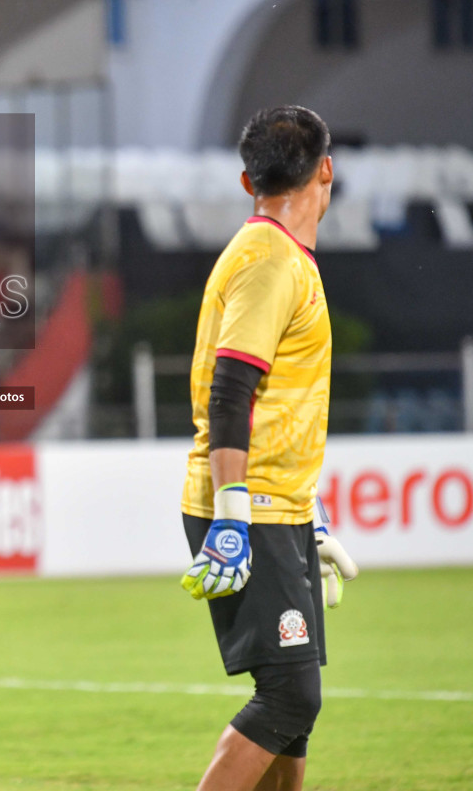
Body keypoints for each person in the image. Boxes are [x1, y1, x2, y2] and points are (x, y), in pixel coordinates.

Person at [179, 105, 360, 791]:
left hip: (271, 506)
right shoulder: (268, 261)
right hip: (245, 510)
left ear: (244, 180)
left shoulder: (276, 258)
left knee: (295, 712)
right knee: (289, 697)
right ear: (326, 171)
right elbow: (230, 393)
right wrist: (232, 514)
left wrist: (302, 514)